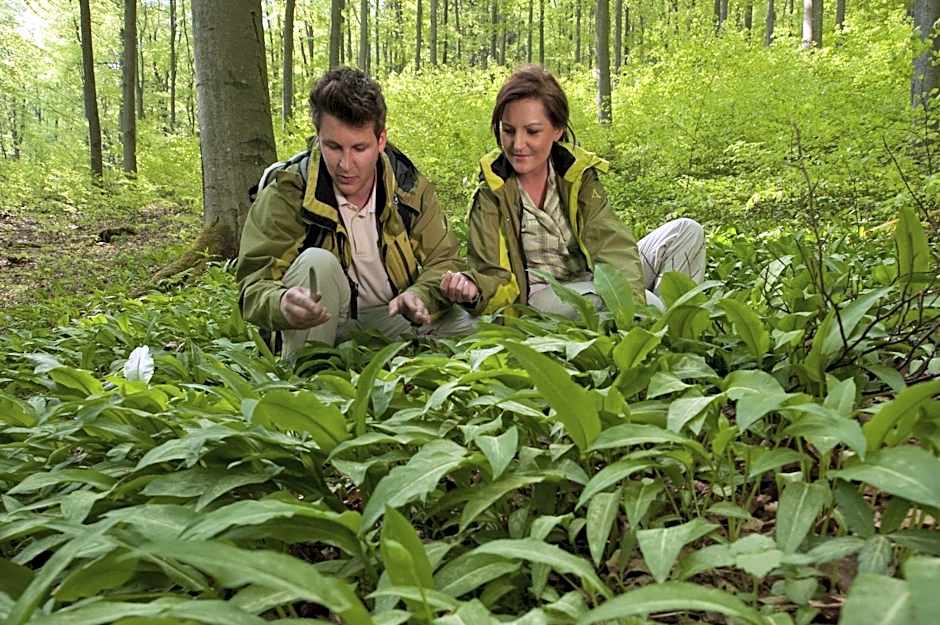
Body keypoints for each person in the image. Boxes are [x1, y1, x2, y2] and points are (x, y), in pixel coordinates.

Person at [237, 67, 473, 355]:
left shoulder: (408, 187)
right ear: (318, 137)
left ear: (381, 141)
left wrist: (419, 294)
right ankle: (307, 371)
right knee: (317, 263)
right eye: (333, 147)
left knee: (470, 329)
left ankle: (386, 358)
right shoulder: (288, 192)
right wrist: (281, 303)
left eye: (359, 148)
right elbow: (253, 285)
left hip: (390, 315)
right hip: (322, 320)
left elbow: (445, 260)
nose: (346, 165)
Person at [440, 65, 705, 317]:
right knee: (639, 303)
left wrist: (629, 297)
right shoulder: (491, 193)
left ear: (557, 130)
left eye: (532, 131)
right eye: (508, 130)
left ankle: (664, 326)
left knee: (686, 232)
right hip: (541, 295)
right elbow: (492, 276)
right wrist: (474, 289)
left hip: (593, 276)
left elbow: (611, 244)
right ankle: (661, 325)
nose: (518, 144)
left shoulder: (577, 174)